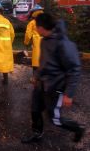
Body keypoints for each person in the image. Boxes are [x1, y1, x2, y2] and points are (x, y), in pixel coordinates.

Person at [21, 13, 85, 144]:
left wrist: (69, 94)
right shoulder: (45, 40)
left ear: (41, 27)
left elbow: (74, 69)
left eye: (36, 27)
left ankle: (78, 129)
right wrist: (36, 77)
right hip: (41, 84)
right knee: (35, 109)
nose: (36, 29)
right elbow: (44, 62)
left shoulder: (63, 44)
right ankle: (37, 134)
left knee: (54, 119)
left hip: (55, 87)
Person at [24, 9, 43, 75]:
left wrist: (26, 42)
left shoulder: (32, 23)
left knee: (36, 60)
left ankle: (35, 77)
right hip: (46, 42)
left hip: (36, 42)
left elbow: (28, 34)